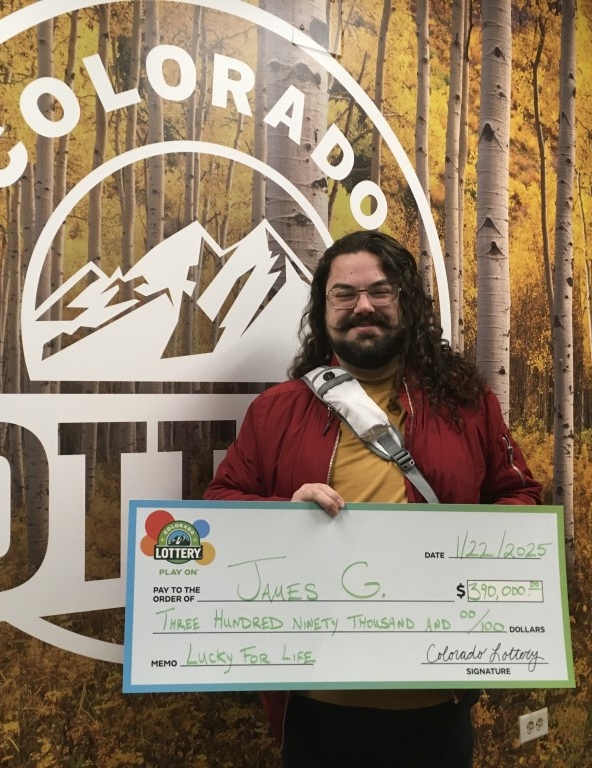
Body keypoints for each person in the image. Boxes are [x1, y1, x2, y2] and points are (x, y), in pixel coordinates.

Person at [204, 230, 541, 768]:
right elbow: (218, 508)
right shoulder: (276, 411)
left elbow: (519, 495)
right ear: (324, 309)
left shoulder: (468, 404)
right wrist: (281, 517)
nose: (363, 306)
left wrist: (465, 548)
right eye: (344, 294)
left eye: (380, 292)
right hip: (315, 704)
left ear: (406, 301)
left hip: (436, 699)